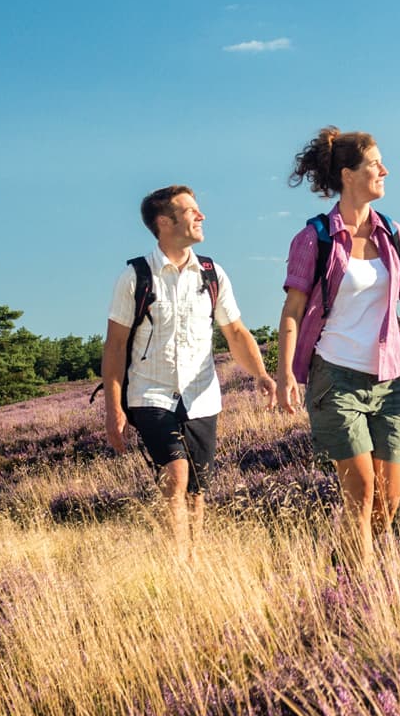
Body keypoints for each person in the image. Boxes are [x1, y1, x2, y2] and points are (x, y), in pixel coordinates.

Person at [273, 128, 400, 567]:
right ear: (349, 174)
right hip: (335, 378)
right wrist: (285, 376)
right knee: (361, 491)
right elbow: (293, 310)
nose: (384, 170)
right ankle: (361, 589)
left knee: (388, 500)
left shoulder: (393, 233)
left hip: (389, 381)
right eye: (375, 163)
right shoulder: (314, 237)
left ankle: (343, 563)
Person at [101, 183, 276, 567]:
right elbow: (114, 347)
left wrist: (261, 374)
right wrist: (113, 408)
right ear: (165, 222)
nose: (201, 216)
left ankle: (194, 559)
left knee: (197, 489)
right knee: (176, 474)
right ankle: (176, 560)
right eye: (191, 211)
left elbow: (236, 332)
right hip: (150, 394)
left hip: (202, 396)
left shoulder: (212, 274)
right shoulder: (135, 277)